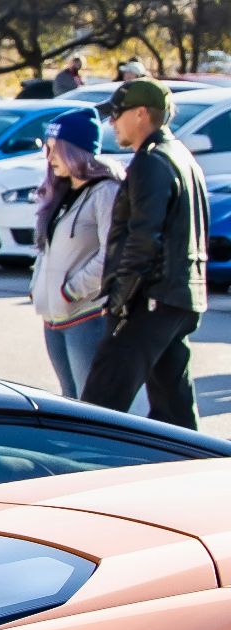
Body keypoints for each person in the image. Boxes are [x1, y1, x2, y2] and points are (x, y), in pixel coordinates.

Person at [80, 79, 208, 428]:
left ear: (141, 114)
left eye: (118, 114)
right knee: (175, 413)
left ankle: (82, 476)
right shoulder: (182, 156)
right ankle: (194, 471)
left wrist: (121, 300)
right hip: (179, 297)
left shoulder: (152, 161)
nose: (112, 123)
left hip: (150, 299)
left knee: (98, 408)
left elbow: (143, 237)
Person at [29, 107, 124, 401]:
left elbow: (112, 254)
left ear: (76, 150)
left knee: (91, 403)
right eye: (47, 148)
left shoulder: (106, 191)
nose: (49, 157)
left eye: (56, 149)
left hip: (86, 315)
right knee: (69, 400)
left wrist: (71, 290)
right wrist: (37, 288)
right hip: (53, 317)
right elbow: (47, 250)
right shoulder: (60, 192)